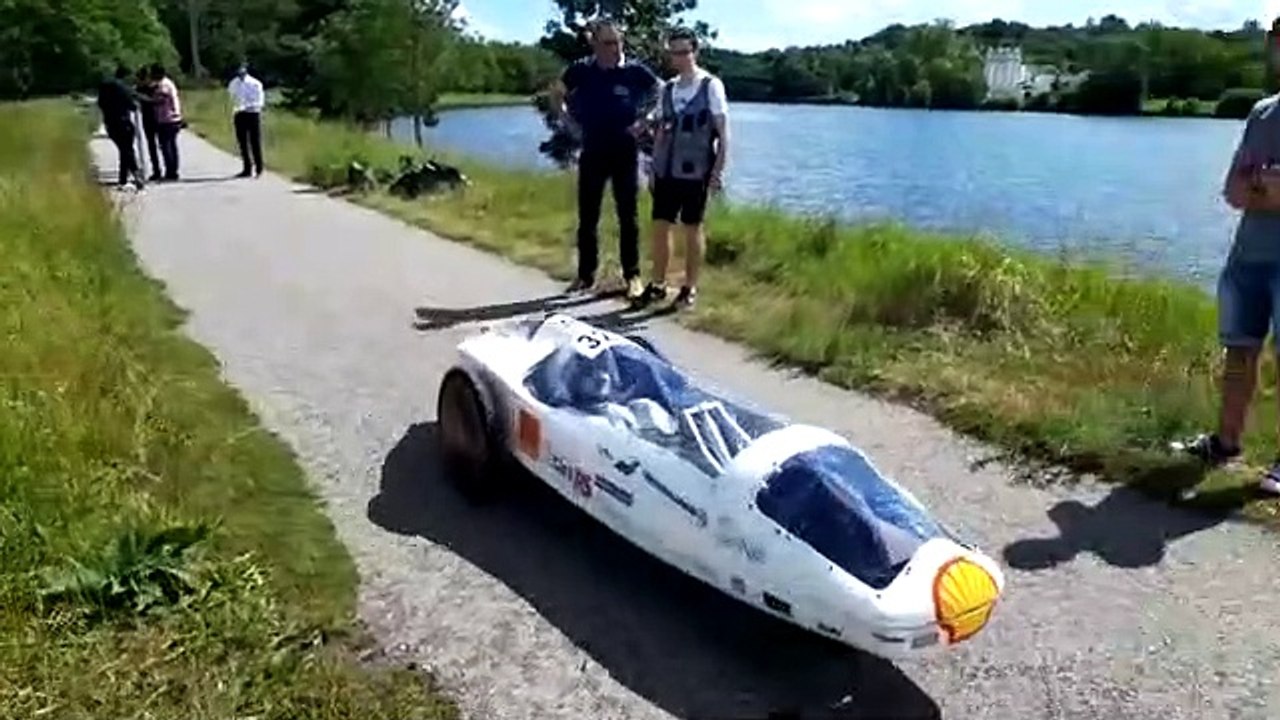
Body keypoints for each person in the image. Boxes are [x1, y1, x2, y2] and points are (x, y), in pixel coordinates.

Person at [1175, 89, 1280, 495]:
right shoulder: (1263, 112)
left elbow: (1251, 187)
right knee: (1239, 352)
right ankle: (1225, 443)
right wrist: (1263, 183)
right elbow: (1233, 192)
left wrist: (1260, 183)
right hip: (1248, 257)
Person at [548, 19, 662, 300]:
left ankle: (632, 276)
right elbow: (556, 93)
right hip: (593, 148)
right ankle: (586, 275)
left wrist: (646, 119)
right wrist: (567, 122)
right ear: (595, 44)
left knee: (628, 216)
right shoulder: (582, 70)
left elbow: (661, 92)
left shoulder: (635, 71)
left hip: (624, 149)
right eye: (608, 43)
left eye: (618, 42)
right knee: (588, 216)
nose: (614, 48)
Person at [636, 28, 729, 310]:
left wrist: (718, 170)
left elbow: (723, 134)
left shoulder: (710, 85)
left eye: (684, 51)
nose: (679, 57)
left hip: (696, 171)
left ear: (694, 52)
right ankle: (658, 284)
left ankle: (689, 288)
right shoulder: (668, 88)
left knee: (692, 228)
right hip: (666, 171)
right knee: (660, 227)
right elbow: (661, 133)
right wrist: (652, 169)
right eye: (674, 52)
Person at [96, 65, 144, 190]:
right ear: (126, 75)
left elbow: (100, 104)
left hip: (110, 123)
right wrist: (135, 105)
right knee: (127, 150)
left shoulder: (105, 88)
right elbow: (132, 105)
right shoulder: (122, 88)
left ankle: (123, 178)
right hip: (123, 121)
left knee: (124, 149)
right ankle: (136, 173)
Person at [228, 63, 265, 178]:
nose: (240, 72)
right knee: (242, 142)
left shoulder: (255, 83)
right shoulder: (234, 83)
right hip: (239, 114)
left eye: (242, 69)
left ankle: (259, 167)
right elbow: (231, 97)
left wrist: (247, 105)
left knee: (255, 142)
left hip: (252, 113)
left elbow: (259, 101)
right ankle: (247, 168)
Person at [150, 63, 184, 181]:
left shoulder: (164, 84)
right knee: (172, 146)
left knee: (166, 146)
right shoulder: (168, 83)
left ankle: (171, 171)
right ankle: (173, 170)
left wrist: (148, 100)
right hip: (173, 118)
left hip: (167, 119)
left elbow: (161, 100)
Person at [135, 65, 162, 181]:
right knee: (152, 145)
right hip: (148, 118)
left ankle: (163, 169)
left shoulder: (156, 87)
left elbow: (155, 101)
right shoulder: (141, 88)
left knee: (160, 145)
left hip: (157, 117)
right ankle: (156, 169)